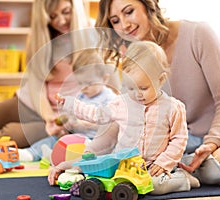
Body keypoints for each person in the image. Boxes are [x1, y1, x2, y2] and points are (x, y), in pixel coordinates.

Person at [94, 0, 220, 183]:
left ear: (148, 5)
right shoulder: (136, 55)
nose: (124, 25)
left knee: (219, 165)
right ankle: (177, 173)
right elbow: (127, 114)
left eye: (129, 12)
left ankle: (178, 174)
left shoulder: (198, 34)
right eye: (115, 21)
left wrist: (212, 143)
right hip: (185, 140)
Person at [49, 41, 201, 195]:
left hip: (155, 167)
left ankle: (183, 179)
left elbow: (179, 139)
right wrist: (71, 104)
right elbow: (97, 114)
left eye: (143, 88)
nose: (137, 94)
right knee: (103, 178)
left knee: (153, 186)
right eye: (130, 87)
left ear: (161, 80)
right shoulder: (121, 103)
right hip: (124, 166)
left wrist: (164, 163)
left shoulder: (173, 107)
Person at [0, 0, 92, 148]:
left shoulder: (95, 33)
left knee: (6, 137)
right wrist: (48, 116)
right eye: (52, 17)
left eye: (66, 12)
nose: (60, 21)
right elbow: (36, 86)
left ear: (76, 7)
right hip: (31, 104)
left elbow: (103, 89)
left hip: (67, 119)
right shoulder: (41, 37)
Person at [17, 49, 117, 162]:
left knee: (83, 148)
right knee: (55, 139)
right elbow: (73, 114)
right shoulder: (82, 96)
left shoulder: (110, 98)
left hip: (96, 140)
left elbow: (110, 125)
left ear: (104, 79)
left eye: (89, 83)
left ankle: (55, 156)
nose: (84, 87)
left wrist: (84, 124)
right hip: (77, 136)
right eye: (80, 83)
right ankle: (31, 153)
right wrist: (67, 122)